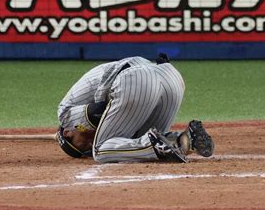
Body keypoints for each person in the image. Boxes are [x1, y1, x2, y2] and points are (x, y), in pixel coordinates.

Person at [56, 54, 214, 163]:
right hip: (171, 78)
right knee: (134, 141)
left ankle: (153, 146)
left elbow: (93, 113)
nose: (89, 144)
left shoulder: (66, 115)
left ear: (68, 132)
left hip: (136, 80)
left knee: (100, 150)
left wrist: (91, 124)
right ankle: (184, 140)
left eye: (82, 144)